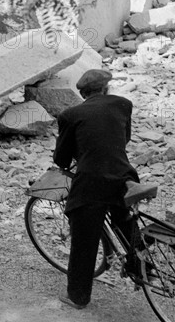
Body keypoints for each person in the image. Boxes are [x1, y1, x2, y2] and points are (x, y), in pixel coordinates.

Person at [53, 69, 140, 309]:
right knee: (125, 222)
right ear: (105, 89)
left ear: (83, 94)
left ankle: (77, 297)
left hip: (91, 182)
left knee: (84, 239)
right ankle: (144, 269)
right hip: (125, 176)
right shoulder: (124, 104)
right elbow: (124, 138)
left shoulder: (70, 115)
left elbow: (61, 158)